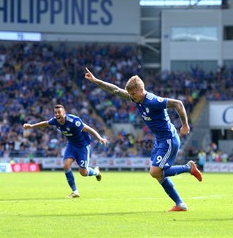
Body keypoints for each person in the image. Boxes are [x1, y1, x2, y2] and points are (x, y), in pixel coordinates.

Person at [84, 67, 203, 211]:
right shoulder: (137, 98)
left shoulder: (152, 101)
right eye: (130, 94)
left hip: (169, 140)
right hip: (159, 140)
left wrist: (185, 125)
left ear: (141, 90)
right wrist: (95, 80)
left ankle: (188, 168)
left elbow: (178, 103)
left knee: (154, 172)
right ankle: (180, 204)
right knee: (158, 176)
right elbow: (115, 90)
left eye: (133, 93)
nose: (131, 97)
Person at [23, 104, 108, 198]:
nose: (57, 114)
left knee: (83, 173)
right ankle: (75, 192)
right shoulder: (55, 121)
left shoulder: (74, 121)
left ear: (64, 113)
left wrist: (100, 138)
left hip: (82, 146)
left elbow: (88, 129)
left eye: (59, 112)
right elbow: (46, 123)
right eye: (55, 113)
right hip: (71, 145)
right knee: (66, 165)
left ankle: (96, 172)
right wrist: (31, 126)